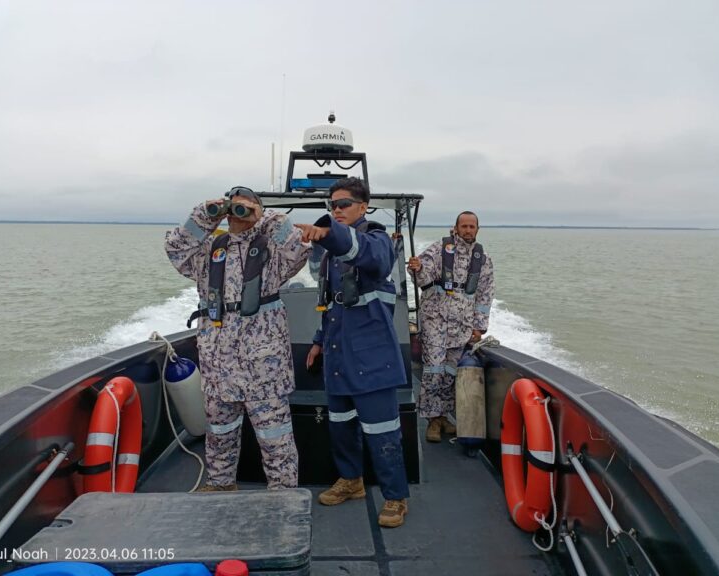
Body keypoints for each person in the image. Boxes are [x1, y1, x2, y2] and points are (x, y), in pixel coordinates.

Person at [165, 186, 311, 490]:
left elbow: (299, 250)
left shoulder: (272, 250)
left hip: (263, 367)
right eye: (232, 207)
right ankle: (220, 485)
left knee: (275, 438)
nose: (235, 214)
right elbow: (176, 249)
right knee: (219, 432)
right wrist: (205, 215)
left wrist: (263, 217)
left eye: (243, 208)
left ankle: (283, 496)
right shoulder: (211, 248)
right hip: (218, 365)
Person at [298, 177, 410, 528]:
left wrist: (329, 232)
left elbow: (366, 254)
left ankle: (395, 497)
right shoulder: (331, 257)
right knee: (341, 426)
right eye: (332, 206)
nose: (336, 210)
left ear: (364, 206)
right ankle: (352, 480)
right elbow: (333, 304)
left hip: (372, 358)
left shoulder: (377, 241)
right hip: (338, 355)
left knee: (383, 431)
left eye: (343, 204)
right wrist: (319, 340)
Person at [407, 211, 494, 443]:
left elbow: (485, 295)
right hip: (435, 320)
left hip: (462, 325)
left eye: (472, 226)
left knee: (449, 373)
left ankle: (444, 416)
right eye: (463, 226)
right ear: (455, 228)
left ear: (477, 229)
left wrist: (479, 327)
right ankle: (432, 420)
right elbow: (421, 276)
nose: (467, 230)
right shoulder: (440, 249)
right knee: (434, 370)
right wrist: (417, 267)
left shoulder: (483, 259)